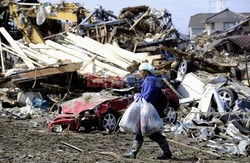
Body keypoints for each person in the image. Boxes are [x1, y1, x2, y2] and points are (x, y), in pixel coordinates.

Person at [123, 63, 172, 160]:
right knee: (139, 130)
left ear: (146, 71)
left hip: (150, 110)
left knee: (150, 132)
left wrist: (140, 97)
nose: (140, 73)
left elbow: (148, 95)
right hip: (151, 109)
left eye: (141, 71)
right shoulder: (151, 79)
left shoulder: (150, 80)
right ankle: (133, 152)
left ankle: (167, 152)